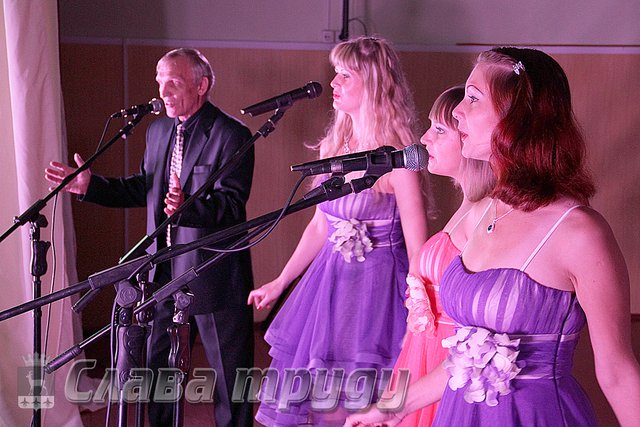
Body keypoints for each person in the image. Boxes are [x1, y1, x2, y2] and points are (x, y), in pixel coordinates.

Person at [345, 47, 640, 427]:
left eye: (473, 98)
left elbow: (617, 373)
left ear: (517, 116)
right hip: (460, 414)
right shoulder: (484, 212)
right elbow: (468, 355)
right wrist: (391, 408)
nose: (457, 112)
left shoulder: (579, 231)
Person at [45, 48, 255, 427]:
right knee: (159, 375)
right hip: (161, 275)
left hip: (213, 274)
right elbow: (144, 187)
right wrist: (91, 186)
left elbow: (231, 205)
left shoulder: (230, 134)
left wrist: (187, 207)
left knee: (231, 382)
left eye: (173, 82)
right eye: (160, 81)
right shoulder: (158, 130)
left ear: (201, 85)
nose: (163, 91)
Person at [247, 36, 428, 426]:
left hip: (376, 296)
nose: (334, 82)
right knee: (322, 397)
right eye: (336, 73)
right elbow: (319, 226)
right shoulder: (334, 145)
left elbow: (419, 248)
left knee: (357, 398)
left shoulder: (398, 156)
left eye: (345, 75)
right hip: (329, 287)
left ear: (374, 83)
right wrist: (280, 281)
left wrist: (420, 306)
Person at [390, 85, 494, 427]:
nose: (424, 139)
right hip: (424, 350)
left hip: (445, 355)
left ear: (467, 138)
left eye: (439, 130)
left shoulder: (486, 214)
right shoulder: (467, 206)